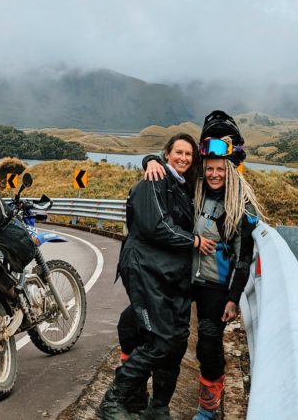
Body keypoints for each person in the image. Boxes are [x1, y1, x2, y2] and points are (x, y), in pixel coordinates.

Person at [142, 111, 263, 420]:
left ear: (231, 170)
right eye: (208, 168)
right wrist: (150, 161)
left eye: (220, 169)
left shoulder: (241, 206)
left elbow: (245, 256)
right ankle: (149, 399)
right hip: (184, 278)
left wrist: (234, 298)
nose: (213, 175)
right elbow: (171, 166)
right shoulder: (195, 189)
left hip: (215, 287)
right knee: (164, 337)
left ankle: (208, 410)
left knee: (208, 347)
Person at [99, 133, 214, 420]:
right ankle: (112, 401)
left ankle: (158, 408)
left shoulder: (184, 185)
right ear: (166, 154)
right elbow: (156, 227)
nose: (184, 158)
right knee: (161, 341)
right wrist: (195, 241)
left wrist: (149, 158)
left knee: (176, 343)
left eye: (189, 154)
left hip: (171, 276)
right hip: (147, 270)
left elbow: (220, 172)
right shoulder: (156, 180)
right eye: (178, 152)